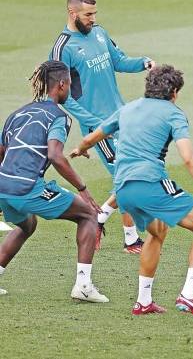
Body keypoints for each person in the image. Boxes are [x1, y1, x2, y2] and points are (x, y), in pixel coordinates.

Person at [70, 65, 193, 321]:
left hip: (122, 189)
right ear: (174, 92)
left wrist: (79, 149)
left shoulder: (128, 108)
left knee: (158, 232)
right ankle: (190, 294)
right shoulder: (174, 114)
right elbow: (188, 158)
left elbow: (94, 136)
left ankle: (143, 301)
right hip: (149, 183)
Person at [50, 0, 156, 253]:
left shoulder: (100, 33)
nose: (93, 19)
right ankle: (127, 236)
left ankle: (113, 226)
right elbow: (62, 97)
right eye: (88, 14)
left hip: (122, 117)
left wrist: (143, 63)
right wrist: (94, 123)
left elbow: (119, 61)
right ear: (72, 13)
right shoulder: (63, 48)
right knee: (127, 176)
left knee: (130, 174)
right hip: (99, 127)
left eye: (95, 13)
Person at [0, 60, 108, 302]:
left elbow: (2, 152)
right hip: (25, 187)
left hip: (3, 186)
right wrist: (84, 190)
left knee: (27, 225)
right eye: (69, 84)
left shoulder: (17, 114)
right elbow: (55, 156)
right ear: (61, 84)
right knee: (89, 215)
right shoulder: (59, 116)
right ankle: (83, 285)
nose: (69, 88)